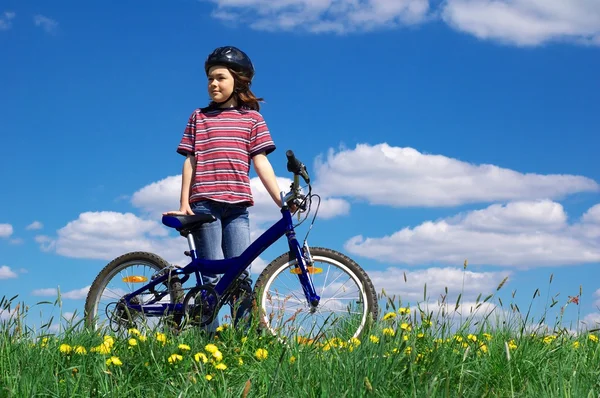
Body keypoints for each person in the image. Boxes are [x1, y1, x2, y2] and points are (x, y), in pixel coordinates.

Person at [163, 46, 282, 332]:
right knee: (212, 278)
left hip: (237, 207)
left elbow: (261, 161)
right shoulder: (199, 117)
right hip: (205, 206)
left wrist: (281, 200)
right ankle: (210, 339)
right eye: (209, 79)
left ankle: (242, 341)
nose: (213, 84)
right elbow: (190, 160)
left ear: (238, 81)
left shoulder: (252, 119)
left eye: (220, 78)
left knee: (241, 276)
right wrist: (184, 204)